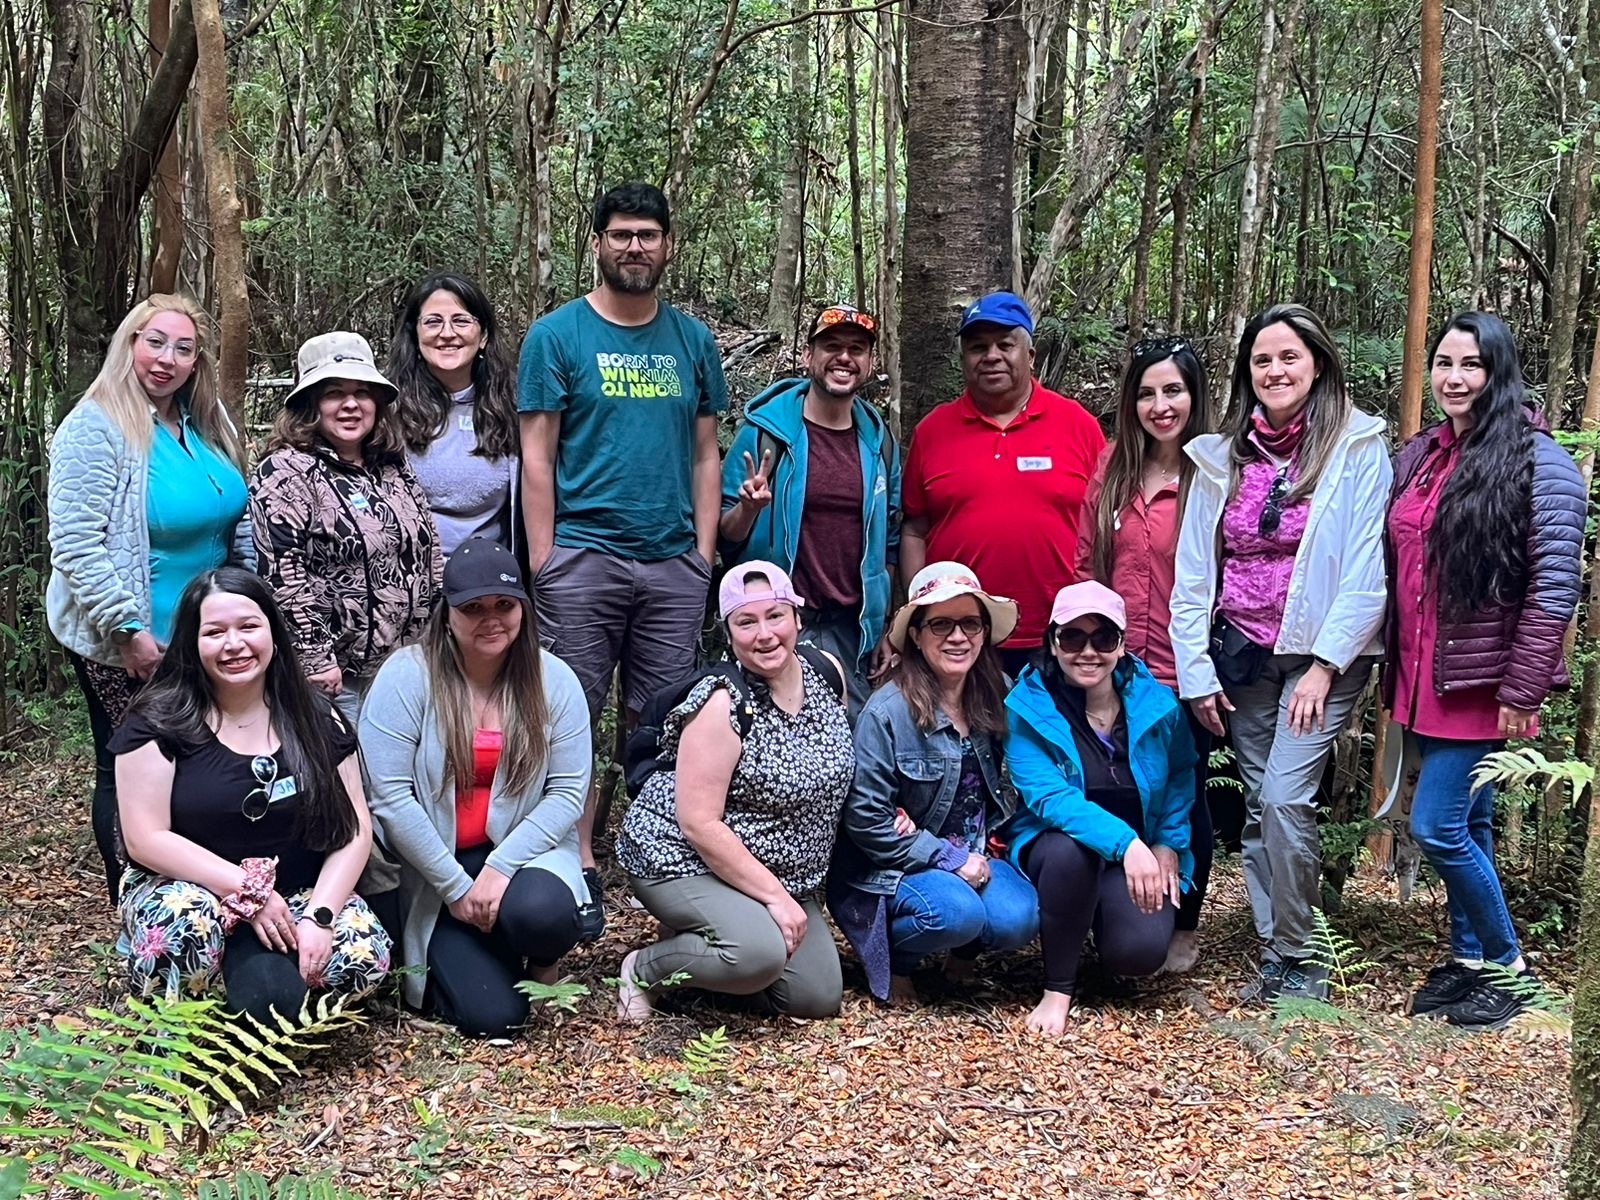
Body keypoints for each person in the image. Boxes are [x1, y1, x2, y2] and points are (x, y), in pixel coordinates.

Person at [518, 182, 728, 929]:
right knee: (569, 710)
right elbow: (536, 456)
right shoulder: (558, 335)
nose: (633, 247)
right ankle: (575, 859)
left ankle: (658, 853)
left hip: (671, 562)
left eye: (647, 234)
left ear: (668, 246)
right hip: (583, 557)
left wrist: (702, 557)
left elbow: (707, 455)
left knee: (663, 717)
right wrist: (545, 560)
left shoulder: (692, 341)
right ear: (598, 244)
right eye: (619, 235)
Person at [1169, 303, 1391, 1002]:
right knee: (1262, 811)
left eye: (1289, 357)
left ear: (1318, 362)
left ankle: (1302, 959)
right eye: (1262, 360)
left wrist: (1325, 666)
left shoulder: (1356, 448)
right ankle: (1280, 953)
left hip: (1322, 664)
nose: (1275, 371)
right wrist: (1197, 673)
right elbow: (1194, 573)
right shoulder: (1221, 456)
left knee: (1286, 800)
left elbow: (1365, 571)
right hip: (1244, 659)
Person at [1384, 312, 1585, 1028]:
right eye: (1444, 362)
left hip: (1484, 683)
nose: (1455, 378)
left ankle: (1509, 968)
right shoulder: (1422, 454)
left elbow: (1555, 585)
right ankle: (1469, 964)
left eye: (1472, 364)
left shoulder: (1540, 462)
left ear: (1499, 372)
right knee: (1472, 820)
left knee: (1438, 825)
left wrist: (1523, 686)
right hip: (1422, 675)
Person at [112, 568, 390, 1026]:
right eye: (214, 632)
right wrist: (249, 893)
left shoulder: (315, 716)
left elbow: (354, 829)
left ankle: (254, 991)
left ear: (273, 634)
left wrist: (320, 916)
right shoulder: (156, 720)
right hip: (190, 890)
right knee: (184, 927)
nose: (234, 644)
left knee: (364, 955)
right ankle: (175, 1022)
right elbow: (145, 838)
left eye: (248, 627)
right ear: (191, 643)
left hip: (295, 894)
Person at [47, 294, 250, 900]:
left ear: (196, 362)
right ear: (128, 345)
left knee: (194, 759)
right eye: (153, 341)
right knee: (132, 763)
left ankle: (196, 883)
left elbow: (232, 521)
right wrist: (128, 630)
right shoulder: (96, 426)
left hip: (205, 637)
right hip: (131, 640)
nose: (166, 358)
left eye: (183, 348)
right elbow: (76, 544)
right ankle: (131, 899)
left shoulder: (204, 425)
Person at [361, 539, 592, 1037]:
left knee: (544, 913)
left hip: (522, 855)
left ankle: (540, 963)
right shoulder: (407, 676)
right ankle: (479, 949)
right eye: (473, 607)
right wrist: (455, 887)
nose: (492, 619)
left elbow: (568, 794)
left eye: (505, 605)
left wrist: (500, 866)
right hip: (435, 865)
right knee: (495, 1018)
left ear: (524, 609)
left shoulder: (554, 680)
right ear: (447, 615)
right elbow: (390, 798)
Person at [613, 562, 853, 1022]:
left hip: (780, 870)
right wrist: (776, 900)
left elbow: (836, 769)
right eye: (746, 622)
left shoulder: (827, 674)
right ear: (728, 633)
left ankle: (711, 947)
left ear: (797, 619)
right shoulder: (721, 702)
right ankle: (645, 969)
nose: (764, 634)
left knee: (816, 997)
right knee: (756, 954)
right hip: (682, 858)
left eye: (775, 616)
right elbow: (698, 824)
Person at [829, 562, 1038, 1004]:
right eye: (940, 624)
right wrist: (944, 856)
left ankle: (963, 956)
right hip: (899, 865)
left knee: (1019, 917)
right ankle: (898, 960)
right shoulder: (887, 713)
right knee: (954, 912)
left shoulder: (999, 692)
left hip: (977, 853)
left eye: (970, 623)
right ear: (916, 636)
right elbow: (866, 820)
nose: (958, 637)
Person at [1074, 335, 1214, 973]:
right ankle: (1117, 909)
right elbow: (1085, 563)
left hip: (1189, 668)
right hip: (1119, 664)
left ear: (1194, 396)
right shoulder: (1112, 471)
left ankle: (1184, 919)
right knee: (1122, 786)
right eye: (1148, 393)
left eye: (1173, 391)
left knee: (1186, 794)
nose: (1161, 405)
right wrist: (1088, 647)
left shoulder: (1217, 471)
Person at [1005, 582, 1196, 1034]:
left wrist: (1168, 842)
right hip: (1057, 847)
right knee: (1069, 852)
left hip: (1134, 856)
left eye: (1103, 638)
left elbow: (1180, 776)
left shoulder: (1158, 705)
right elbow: (1050, 798)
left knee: (1138, 956)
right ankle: (1058, 987)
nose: (1087, 652)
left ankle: (1096, 920)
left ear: (1122, 645)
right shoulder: (1026, 707)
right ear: (1053, 643)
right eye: (1072, 638)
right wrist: (1129, 843)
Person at [900, 290, 1106, 676]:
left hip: (1063, 634)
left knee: (1050, 737)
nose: (991, 355)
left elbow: (1108, 525)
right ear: (964, 360)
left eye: (1004, 344)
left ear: (1030, 355)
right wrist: (921, 609)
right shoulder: (932, 432)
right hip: (960, 637)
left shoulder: (1079, 426)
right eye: (978, 347)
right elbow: (914, 529)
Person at [249, 331, 443, 725]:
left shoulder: (391, 465)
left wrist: (440, 635)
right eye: (334, 393)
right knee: (346, 779)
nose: (351, 404)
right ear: (310, 403)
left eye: (362, 392)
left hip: (407, 665)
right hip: (338, 676)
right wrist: (314, 656)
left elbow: (429, 549)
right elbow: (282, 575)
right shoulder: (286, 472)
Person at [719, 303, 901, 716]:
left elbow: (888, 544)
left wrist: (885, 624)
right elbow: (724, 535)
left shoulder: (880, 443)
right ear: (808, 356)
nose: (844, 357)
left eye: (857, 349)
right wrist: (748, 509)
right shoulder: (766, 434)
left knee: (850, 753)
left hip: (854, 631)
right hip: (777, 625)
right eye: (831, 346)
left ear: (869, 362)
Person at [388, 272, 521, 559]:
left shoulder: (515, 405)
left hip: (490, 579)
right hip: (406, 576)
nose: (447, 333)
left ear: (483, 335)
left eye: (461, 320)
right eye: (433, 321)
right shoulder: (385, 408)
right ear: (415, 335)